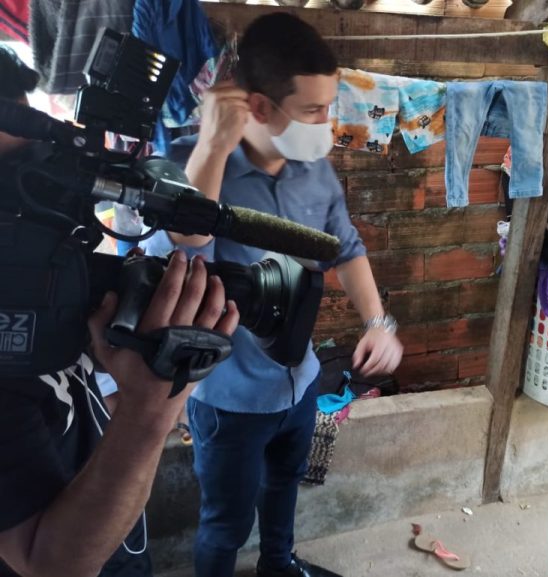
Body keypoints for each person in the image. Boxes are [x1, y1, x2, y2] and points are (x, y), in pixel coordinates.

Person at [142, 12, 404, 577]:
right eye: (313, 110)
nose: (326, 123)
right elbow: (187, 243)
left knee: (284, 489)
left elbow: (347, 248)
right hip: (229, 397)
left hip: (300, 380)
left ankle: (279, 566)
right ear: (259, 107)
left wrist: (379, 323)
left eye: (329, 107)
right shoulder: (200, 163)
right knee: (225, 523)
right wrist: (212, 147)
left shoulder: (316, 170)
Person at [0, 43, 240, 576]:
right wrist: (150, 410)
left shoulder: (39, 278)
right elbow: (51, 564)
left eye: (33, 171)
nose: (28, 200)